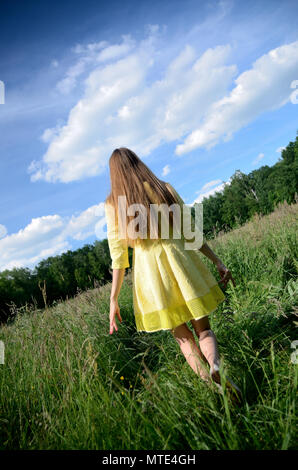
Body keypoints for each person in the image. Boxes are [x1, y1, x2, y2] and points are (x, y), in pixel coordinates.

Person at [104, 147, 242, 402]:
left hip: (152, 278)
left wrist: (113, 300)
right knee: (204, 330)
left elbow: (119, 259)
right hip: (182, 264)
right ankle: (215, 365)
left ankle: (218, 388)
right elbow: (191, 233)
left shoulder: (114, 205)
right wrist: (217, 261)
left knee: (183, 340)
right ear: (138, 162)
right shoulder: (162, 187)